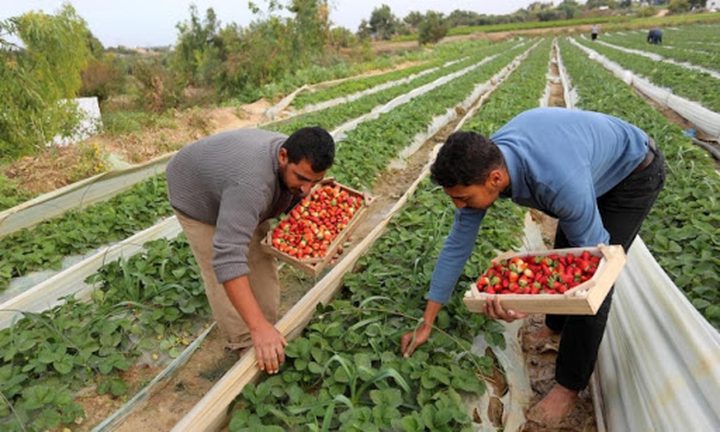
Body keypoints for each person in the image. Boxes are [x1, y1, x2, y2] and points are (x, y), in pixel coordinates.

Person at [400, 108, 665, 426]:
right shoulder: (486, 163)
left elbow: (596, 266)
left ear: (494, 179)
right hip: (583, 166)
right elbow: (457, 245)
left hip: (633, 172)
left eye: (463, 198)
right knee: (565, 251)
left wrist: (529, 301)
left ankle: (568, 386)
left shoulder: (557, 183)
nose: (459, 205)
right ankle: (554, 325)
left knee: (592, 279)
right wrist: (427, 320)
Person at [166, 127, 335, 375]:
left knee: (259, 258)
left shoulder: (290, 167)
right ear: (283, 156)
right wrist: (256, 328)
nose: (307, 189)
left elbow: (298, 195)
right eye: (301, 179)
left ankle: (266, 327)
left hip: (231, 183)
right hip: (195, 195)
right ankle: (245, 342)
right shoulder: (252, 185)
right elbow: (227, 259)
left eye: (315, 181)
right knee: (220, 263)